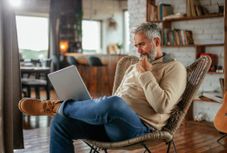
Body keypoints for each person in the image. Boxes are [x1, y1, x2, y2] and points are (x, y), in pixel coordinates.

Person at [18, 23, 187, 153]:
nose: (138, 50)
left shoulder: (174, 68)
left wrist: (144, 75)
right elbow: (119, 95)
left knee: (113, 103)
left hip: (139, 127)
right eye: (136, 45)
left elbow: (162, 105)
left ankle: (55, 106)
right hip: (111, 122)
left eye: (141, 44)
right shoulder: (133, 67)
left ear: (156, 41)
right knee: (60, 122)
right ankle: (61, 109)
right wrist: (94, 108)